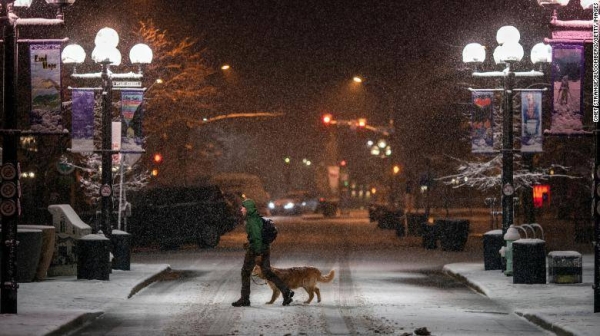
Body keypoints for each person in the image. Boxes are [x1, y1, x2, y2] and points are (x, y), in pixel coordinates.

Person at [231, 199, 294, 307]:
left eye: (243, 207)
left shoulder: (252, 220)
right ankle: (286, 291)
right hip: (265, 248)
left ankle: (244, 299)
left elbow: (257, 238)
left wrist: (258, 253)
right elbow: (258, 236)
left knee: (245, 272)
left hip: (255, 251)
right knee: (267, 272)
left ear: (248, 209)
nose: (241, 209)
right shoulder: (257, 218)